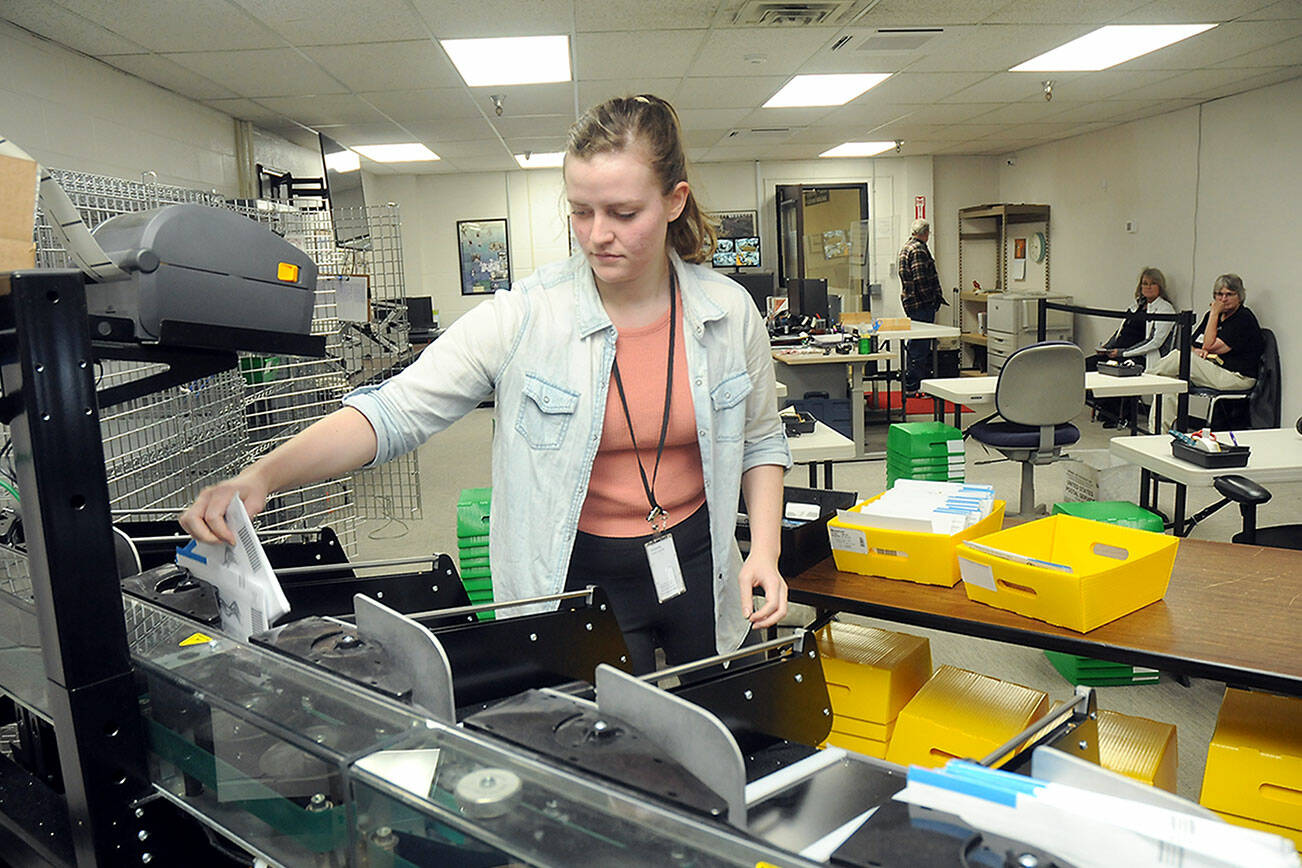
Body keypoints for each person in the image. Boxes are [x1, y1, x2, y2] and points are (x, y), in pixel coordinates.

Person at [180, 94, 791, 676]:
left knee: (730, 731)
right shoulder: (524, 316)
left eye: (623, 213)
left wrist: (764, 550)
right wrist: (263, 474)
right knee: (601, 755)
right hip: (576, 574)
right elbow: (394, 411)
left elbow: (762, 443)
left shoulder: (728, 312)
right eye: (580, 211)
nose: (597, 233)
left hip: (702, 561)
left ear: (674, 201)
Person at [1148, 273, 1264, 430]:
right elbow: (1189, 344)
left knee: (1178, 358)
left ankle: (1143, 379)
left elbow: (1209, 345)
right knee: (1169, 385)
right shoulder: (1211, 316)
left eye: (1229, 294)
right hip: (1214, 370)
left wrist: (1215, 314)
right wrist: (1196, 351)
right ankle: (1158, 435)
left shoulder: (1243, 318)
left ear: (1240, 296)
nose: (1223, 299)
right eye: (1219, 294)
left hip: (1236, 376)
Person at [1087, 267, 1177, 427]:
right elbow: (1120, 332)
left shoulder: (1165, 309)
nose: (1148, 287)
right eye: (1145, 283)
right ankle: (1103, 407)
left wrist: (1122, 353)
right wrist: (1107, 347)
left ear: (1160, 287)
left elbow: (1154, 341)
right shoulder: (1135, 306)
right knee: (1088, 364)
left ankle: (1118, 415)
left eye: (1153, 283)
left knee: (1118, 370)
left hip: (1140, 355)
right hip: (1118, 351)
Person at [897, 218, 945, 394]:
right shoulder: (918, 250)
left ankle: (912, 381)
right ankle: (914, 384)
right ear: (925, 233)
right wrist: (931, 300)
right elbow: (921, 279)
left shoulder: (906, 247)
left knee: (916, 342)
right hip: (921, 304)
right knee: (920, 345)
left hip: (912, 302)